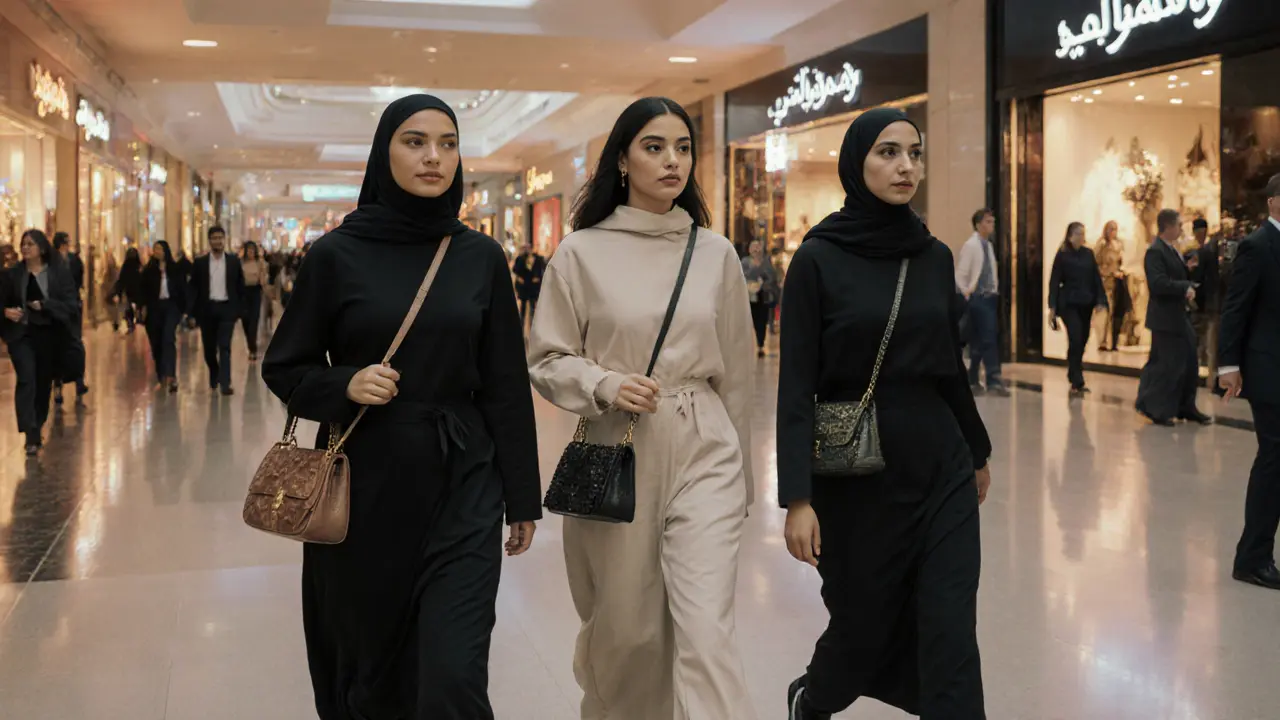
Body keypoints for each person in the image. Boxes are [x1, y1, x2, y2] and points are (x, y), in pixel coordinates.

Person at [262, 94, 541, 720]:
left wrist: (522, 497)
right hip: (366, 484)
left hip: (462, 480)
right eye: (415, 141)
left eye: (447, 143)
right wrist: (345, 384)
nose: (433, 157)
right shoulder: (337, 254)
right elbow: (284, 366)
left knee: (452, 675)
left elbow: (504, 382)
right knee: (373, 671)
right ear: (385, 152)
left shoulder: (479, 257)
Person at [527, 96, 757, 720]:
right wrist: (603, 383)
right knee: (629, 634)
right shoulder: (579, 254)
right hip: (616, 445)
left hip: (705, 442)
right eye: (654, 147)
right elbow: (546, 359)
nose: (672, 160)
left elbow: (736, 369)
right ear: (622, 160)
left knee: (708, 630)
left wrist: (746, 479)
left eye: (683, 147)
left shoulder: (715, 254)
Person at [777, 108, 992, 720]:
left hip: (940, 465)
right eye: (889, 153)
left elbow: (948, 365)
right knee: (861, 627)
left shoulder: (933, 255)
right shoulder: (818, 259)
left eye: (915, 153)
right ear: (857, 162)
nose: (906, 167)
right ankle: (813, 698)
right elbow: (795, 388)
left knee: (950, 628)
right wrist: (797, 497)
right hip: (856, 475)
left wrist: (977, 451)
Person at [1219, 173, 1280, 591]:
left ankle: (1255, 552)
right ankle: (1252, 557)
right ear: (1275, 201)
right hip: (1268, 370)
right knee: (1274, 459)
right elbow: (1235, 308)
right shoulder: (1257, 247)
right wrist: (1228, 365)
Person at [2, 230, 80, 455]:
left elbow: (70, 304)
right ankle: (30, 433)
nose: (25, 248)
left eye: (30, 244)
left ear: (42, 248)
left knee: (43, 381)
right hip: (21, 335)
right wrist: (5, 312)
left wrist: (46, 305)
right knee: (27, 378)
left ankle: (37, 422)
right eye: (23, 244)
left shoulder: (57, 274)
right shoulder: (12, 275)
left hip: (49, 335)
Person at [1134, 209, 1211, 427]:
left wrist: (1186, 271)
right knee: (1166, 365)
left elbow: (1171, 275)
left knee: (1189, 362)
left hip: (1177, 315)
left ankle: (1186, 406)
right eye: (1179, 225)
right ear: (1167, 226)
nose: (1181, 229)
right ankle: (1153, 406)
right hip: (1164, 319)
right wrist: (1184, 286)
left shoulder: (1171, 249)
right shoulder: (1155, 251)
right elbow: (1157, 283)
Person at [1048, 222, 1108, 396]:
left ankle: (1073, 368)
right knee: (1075, 336)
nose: (1082, 237)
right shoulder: (1063, 255)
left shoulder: (1088, 254)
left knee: (1083, 338)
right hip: (1069, 303)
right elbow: (1054, 280)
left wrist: (1100, 300)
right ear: (1070, 236)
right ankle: (1077, 378)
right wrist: (1052, 306)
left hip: (1086, 302)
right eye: (1079, 234)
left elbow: (1095, 278)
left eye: (1083, 233)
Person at [955, 208, 1009, 396]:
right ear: (978, 224)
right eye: (987, 222)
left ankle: (972, 378)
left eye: (992, 222)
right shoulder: (971, 246)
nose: (991, 225)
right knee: (989, 337)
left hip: (990, 298)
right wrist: (967, 293)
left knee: (978, 341)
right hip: (978, 298)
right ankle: (994, 379)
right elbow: (961, 274)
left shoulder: (989, 245)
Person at [190, 226, 245, 395]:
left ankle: (225, 383)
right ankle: (214, 373)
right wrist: (192, 313)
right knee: (209, 350)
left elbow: (239, 286)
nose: (218, 241)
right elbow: (194, 289)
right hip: (207, 310)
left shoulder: (233, 261)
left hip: (227, 309)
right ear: (209, 241)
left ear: (224, 239)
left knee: (225, 346)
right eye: (214, 238)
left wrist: (239, 311)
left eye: (220, 237)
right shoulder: (200, 263)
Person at [140, 240, 186, 393]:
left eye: (160, 249)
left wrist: (183, 309)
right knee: (157, 343)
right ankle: (161, 376)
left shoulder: (174, 269)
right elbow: (143, 291)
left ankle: (171, 376)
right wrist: (143, 308)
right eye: (155, 249)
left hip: (171, 306)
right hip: (154, 309)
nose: (158, 251)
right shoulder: (148, 270)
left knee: (168, 338)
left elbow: (182, 288)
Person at [51, 232, 89, 405]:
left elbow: (80, 278)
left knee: (76, 345)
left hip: (72, 308)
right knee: (57, 349)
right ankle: (57, 387)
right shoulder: (50, 261)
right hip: (56, 310)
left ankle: (79, 381)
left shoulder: (74, 260)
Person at [742, 238, 780, 357]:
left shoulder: (766, 262)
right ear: (749, 249)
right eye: (753, 247)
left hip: (763, 296)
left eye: (757, 247)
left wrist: (762, 283)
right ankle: (749, 345)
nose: (756, 249)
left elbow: (772, 277)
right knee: (749, 320)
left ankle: (760, 345)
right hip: (749, 296)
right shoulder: (745, 261)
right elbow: (742, 275)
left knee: (762, 321)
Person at [1094, 221, 1126, 351]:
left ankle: (1113, 341)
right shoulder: (1102, 245)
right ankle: (1102, 341)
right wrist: (1109, 272)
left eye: (1115, 229)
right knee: (1104, 312)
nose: (1113, 232)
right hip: (1105, 282)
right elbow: (1097, 264)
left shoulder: (1118, 244)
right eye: (1111, 229)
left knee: (1115, 312)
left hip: (1116, 282)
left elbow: (1120, 262)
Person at [239, 240, 268, 361]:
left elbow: (264, 277)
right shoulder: (240, 263)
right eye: (248, 249)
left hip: (255, 292)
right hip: (243, 293)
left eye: (252, 250)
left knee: (254, 320)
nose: (250, 252)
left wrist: (263, 280)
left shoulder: (260, 262)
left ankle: (253, 349)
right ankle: (250, 345)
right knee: (245, 320)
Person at [510, 243, 545, 331]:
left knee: (532, 305)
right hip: (524, 286)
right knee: (524, 307)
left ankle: (533, 325)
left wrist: (538, 277)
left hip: (533, 287)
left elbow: (542, 269)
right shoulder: (521, 259)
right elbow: (515, 270)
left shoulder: (538, 259)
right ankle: (522, 325)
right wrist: (519, 278)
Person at [111, 247, 144, 333]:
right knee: (130, 308)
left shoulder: (129, 266)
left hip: (132, 291)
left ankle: (132, 321)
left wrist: (118, 291)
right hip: (134, 291)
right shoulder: (137, 266)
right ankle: (133, 321)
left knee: (129, 308)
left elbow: (121, 280)